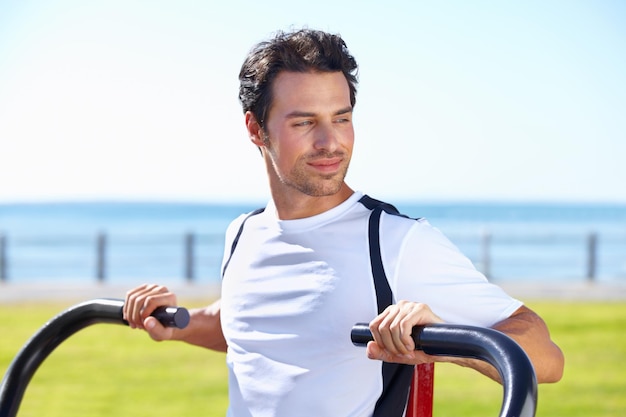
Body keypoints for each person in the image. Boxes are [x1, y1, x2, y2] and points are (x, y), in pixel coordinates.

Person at [124, 28, 564, 417]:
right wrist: (175, 322)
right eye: (305, 122)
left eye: (341, 118)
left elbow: (545, 357)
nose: (329, 142)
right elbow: (257, 327)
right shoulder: (242, 233)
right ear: (256, 129)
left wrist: (445, 339)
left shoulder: (397, 241)